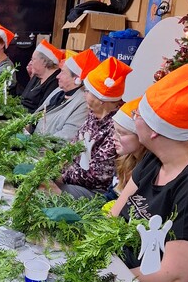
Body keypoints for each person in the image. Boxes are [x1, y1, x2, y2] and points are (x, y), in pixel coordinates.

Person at [110, 63, 188, 282]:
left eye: (138, 114)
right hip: (125, 274)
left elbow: (175, 275)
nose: (133, 113)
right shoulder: (154, 158)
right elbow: (116, 213)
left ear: (154, 131)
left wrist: (114, 280)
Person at [49, 57, 132, 198]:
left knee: (45, 189)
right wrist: (55, 167)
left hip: (95, 192)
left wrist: (60, 176)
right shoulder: (94, 116)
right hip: (73, 179)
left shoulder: (116, 127)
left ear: (101, 99)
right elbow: (73, 147)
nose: (84, 94)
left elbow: (96, 175)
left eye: (87, 91)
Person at [33, 49, 100, 140]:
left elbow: (67, 136)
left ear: (76, 79)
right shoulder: (59, 90)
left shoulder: (83, 102)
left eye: (63, 72)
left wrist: (34, 143)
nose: (57, 76)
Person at [104, 98, 146, 201]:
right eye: (114, 131)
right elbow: (110, 196)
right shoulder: (124, 160)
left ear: (140, 136)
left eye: (121, 133)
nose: (114, 137)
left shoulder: (147, 170)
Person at [20, 40, 64, 113]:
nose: (30, 63)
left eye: (33, 59)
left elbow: (42, 110)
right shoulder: (37, 75)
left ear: (44, 62)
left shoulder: (55, 81)